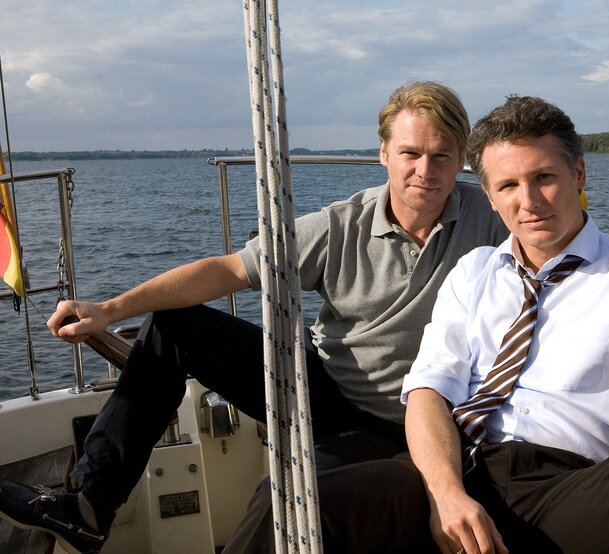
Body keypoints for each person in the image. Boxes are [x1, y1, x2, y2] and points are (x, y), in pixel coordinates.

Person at [234, 94, 609, 554]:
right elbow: (429, 390)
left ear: (579, 172)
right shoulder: (474, 271)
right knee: (290, 505)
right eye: (507, 186)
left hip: (572, 486)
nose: (529, 201)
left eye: (544, 177)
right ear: (489, 195)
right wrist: (445, 494)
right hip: (459, 467)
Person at [0, 81, 507, 554]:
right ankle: (89, 507)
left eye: (442, 156)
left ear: (462, 159)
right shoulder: (341, 225)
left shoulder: (493, 220)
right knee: (174, 326)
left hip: (423, 419)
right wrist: (108, 310)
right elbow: (227, 270)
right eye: (411, 154)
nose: (426, 171)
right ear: (384, 155)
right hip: (327, 390)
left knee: (283, 498)